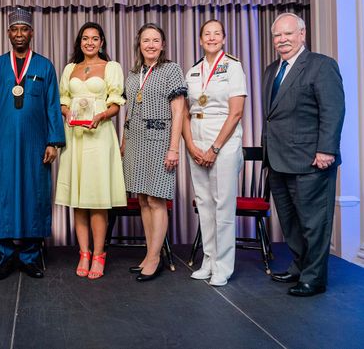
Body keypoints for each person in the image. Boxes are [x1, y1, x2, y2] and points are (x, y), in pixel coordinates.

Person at [263, 13, 345, 297]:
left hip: (311, 160)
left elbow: (333, 110)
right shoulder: (271, 69)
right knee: (291, 222)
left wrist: (327, 149)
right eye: (277, 36)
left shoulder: (321, 66)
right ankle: (299, 266)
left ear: (302, 34)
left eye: (288, 34)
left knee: (314, 223)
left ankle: (314, 278)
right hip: (277, 160)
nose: (282, 40)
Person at [0, 8, 65, 281]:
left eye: (24, 29)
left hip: (35, 144)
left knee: (34, 194)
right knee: (2, 196)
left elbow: (53, 105)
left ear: (31, 32)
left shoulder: (44, 66)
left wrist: (53, 142)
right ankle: (5, 256)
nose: (19, 34)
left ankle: (30, 256)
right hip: (3, 144)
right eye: (15, 29)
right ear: (8, 33)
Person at [55, 22, 126, 280]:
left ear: (102, 42)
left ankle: (99, 254)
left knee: (97, 200)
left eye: (95, 39)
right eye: (85, 38)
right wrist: (67, 111)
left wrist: (102, 115)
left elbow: (116, 103)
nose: (90, 43)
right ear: (80, 42)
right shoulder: (69, 69)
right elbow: (62, 99)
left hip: (99, 136)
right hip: (75, 136)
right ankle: (83, 252)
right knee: (79, 199)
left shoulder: (111, 67)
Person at [182, 19, 247, 287]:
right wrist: (191, 145)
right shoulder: (193, 71)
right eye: (206, 34)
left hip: (224, 139)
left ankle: (223, 266)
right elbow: (183, 111)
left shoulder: (233, 66)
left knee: (223, 205)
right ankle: (208, 260)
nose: (211, 38)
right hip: (196, 137)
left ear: (224, 38)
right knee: (205, 204)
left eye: (217, 33)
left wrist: (215, 148)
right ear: (200, 40)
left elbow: (237, 112)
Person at [120, 23, 186, 282]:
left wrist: (174, 148)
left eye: (155, 40)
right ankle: (149, 254)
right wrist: (124, 141)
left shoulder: (171, 70)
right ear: (140, 44)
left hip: (160, 142)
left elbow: (179, 111)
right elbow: (129, 113)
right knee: (144, 200)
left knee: (157, 200)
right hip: (136, 142)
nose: (150, 45)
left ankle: (156, 257)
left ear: (163, 44)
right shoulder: (133, 74)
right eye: (146, 40)